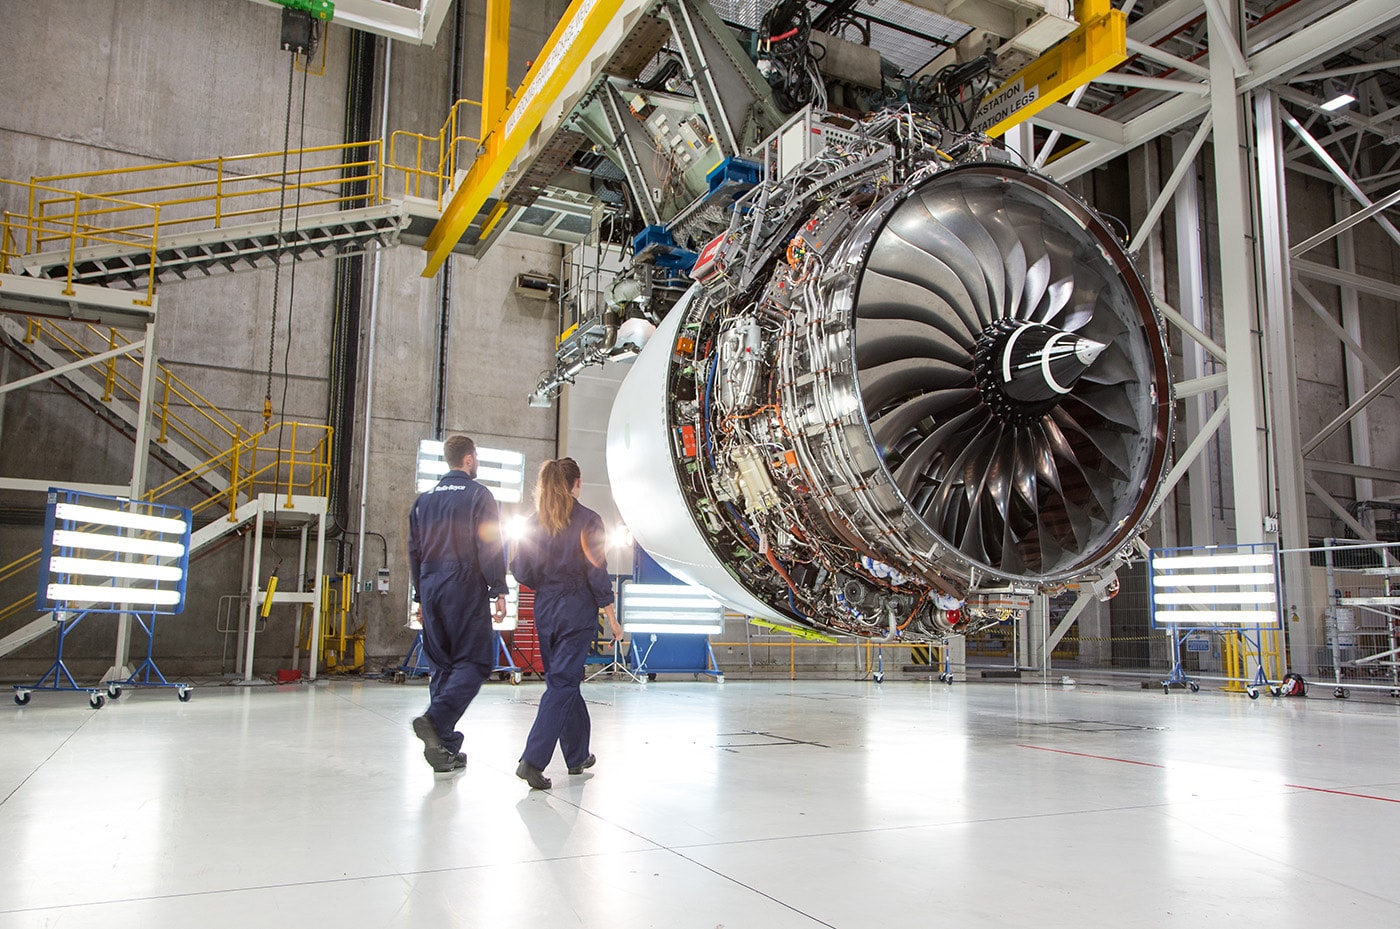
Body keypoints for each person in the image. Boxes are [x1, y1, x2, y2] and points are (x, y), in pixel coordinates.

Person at [511, 458, 622, 790]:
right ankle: (533, 760)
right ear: (578, 483)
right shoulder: (589, 520)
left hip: (545, 609)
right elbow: (597, 572)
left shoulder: (534, 522)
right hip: (576, 609)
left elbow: (520, 571)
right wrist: (612, 617)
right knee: (563, 684)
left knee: (562, 682)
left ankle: (577, 756)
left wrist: (547, 583)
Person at [407, 434, 508, 773]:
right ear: (469, 459)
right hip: (463, 583)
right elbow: (490, 543)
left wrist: (420, 594)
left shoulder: (424, 500)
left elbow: (414, 552)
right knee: (477, 661)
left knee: (443, 665)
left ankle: (444, 748)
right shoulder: (479, 495)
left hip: (431, 584)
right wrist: (499, 588)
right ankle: (436, 721)